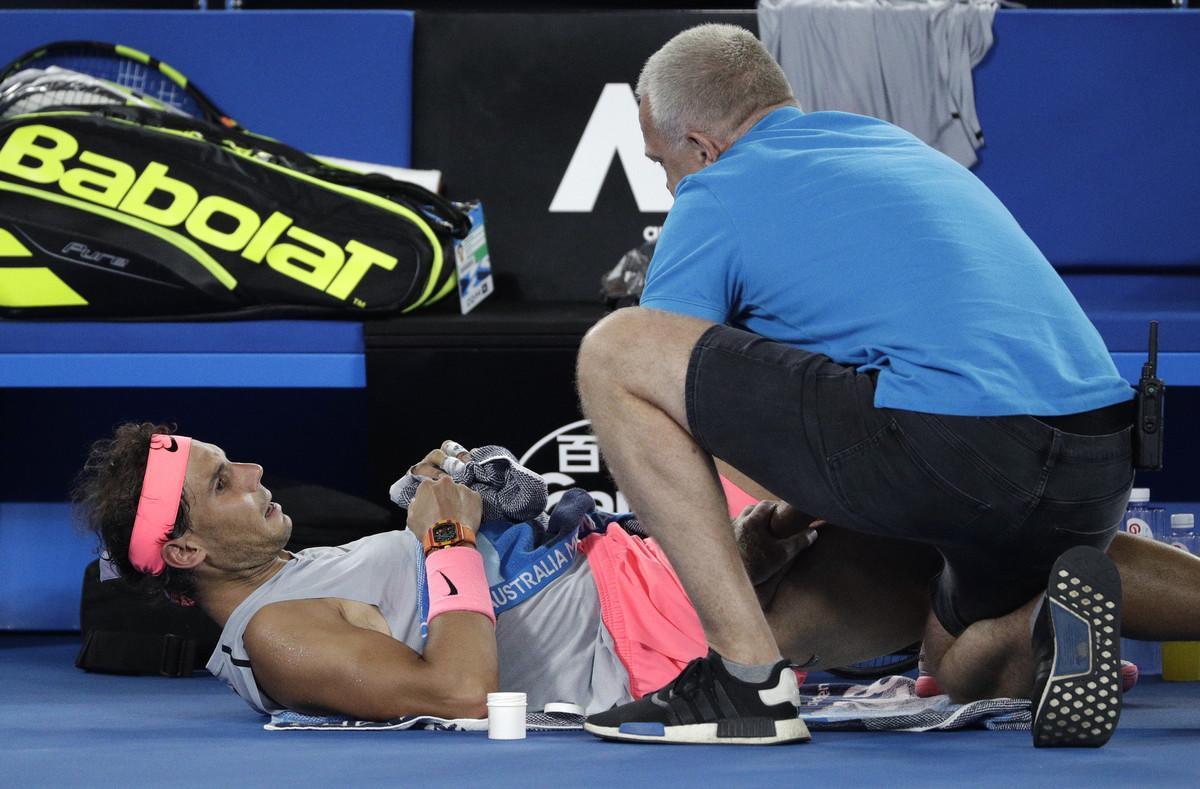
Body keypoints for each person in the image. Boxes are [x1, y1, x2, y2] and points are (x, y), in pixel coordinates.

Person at [576, 23, 1139, 746]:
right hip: (1097, 464)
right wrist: (805, 499)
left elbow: (669, 394)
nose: (667, 183)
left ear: (702, 147)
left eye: (662, 163)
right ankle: (1040, 630)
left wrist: (774, 516)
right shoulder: (892, 146)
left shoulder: (714, 191)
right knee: (952, 662)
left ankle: (743, 683)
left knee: (616, 351)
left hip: (956, 445)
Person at [76, 424, 1200, 739]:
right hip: (666, 651)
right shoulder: (276, 639)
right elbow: (461, 694)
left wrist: (742, 550)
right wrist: (448, 535)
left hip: (675, 584)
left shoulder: (311, 565)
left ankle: (1006, 656)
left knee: (968, 533)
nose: (257, 472)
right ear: (180, 552)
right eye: (225, 482)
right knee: (940, 547)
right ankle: (1004, 652)